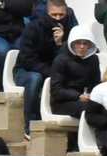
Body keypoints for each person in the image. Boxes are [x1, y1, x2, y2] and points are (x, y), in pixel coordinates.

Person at [15, 0, 79, 131]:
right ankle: (30, 125)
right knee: (35, 78)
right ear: (47, 12)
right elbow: (28, 60)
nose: (58, 18)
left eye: (61, 15)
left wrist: (60, 44)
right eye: (54, 15)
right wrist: (52, 73)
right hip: (26, 70)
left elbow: (72, 58)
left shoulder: (71, 30)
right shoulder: (32, 28)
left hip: (55, 71)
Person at [50, 25, 103, 120]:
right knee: (91, 109)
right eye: (78, 43)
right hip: (62, 103)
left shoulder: (93, 59)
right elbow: (56, 90)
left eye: (85, 43)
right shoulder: (60, 60)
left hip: (87, 100)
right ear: (72, 43)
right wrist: (78, 96)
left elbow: (96, 84)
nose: (81, 47)